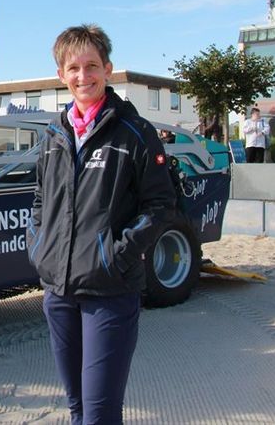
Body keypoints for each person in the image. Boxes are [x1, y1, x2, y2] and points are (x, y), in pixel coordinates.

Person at [28, 25, 176, 425]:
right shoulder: (53, 137)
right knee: (77, 408)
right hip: (58, 292)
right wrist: (39, 247)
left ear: (107, 69)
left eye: (91, 66)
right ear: (61, 75)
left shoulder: (135, 133)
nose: (83, 76)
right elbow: (41, 201)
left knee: (99, 414)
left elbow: (160, 205)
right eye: (73, 68)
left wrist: (116, 255)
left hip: (109, 291)